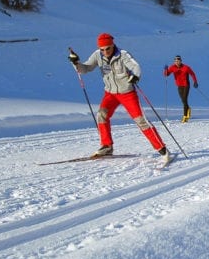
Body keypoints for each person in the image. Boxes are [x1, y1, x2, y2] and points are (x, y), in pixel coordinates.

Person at [68, 33, 171, 164]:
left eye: (108, 48)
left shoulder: (123, 54)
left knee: (141, 120)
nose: (105, 52)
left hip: (127, 93)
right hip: (110, 93)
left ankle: (162, 149)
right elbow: (85, 69)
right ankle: (107, 146)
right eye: (102, 49)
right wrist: (75, 62)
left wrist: (135, 76)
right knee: (101, 115)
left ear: (113, 45)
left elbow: (135, 66)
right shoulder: (97, 55)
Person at [164, 55, 198, 123]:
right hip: (179, 86)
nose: (176, 62)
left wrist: (195, 82)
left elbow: (192, 74)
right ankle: (188, 109)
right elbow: (166, 74)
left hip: (186, 85)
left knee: (185, 100)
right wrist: (165, 70)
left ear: (180, 61)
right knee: (183, 100)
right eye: (175, 61)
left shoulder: (186, 67)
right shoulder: (172, 67)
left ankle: (185, 117)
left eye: (178, 61)